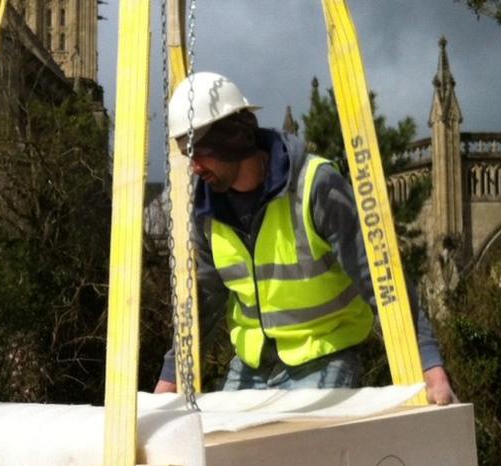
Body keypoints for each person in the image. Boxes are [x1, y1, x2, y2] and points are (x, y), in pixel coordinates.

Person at [155, 72, 456, 405]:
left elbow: (378, 275)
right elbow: (203, 300)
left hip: (324, 357)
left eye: (199, 152)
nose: (194, 167)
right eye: (187, 154)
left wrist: (430, 365)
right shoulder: (206, 209)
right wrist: (170, 379)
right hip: (253, 366)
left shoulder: (315, 185)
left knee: (298, 453)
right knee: (219, 451)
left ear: (233, 139)